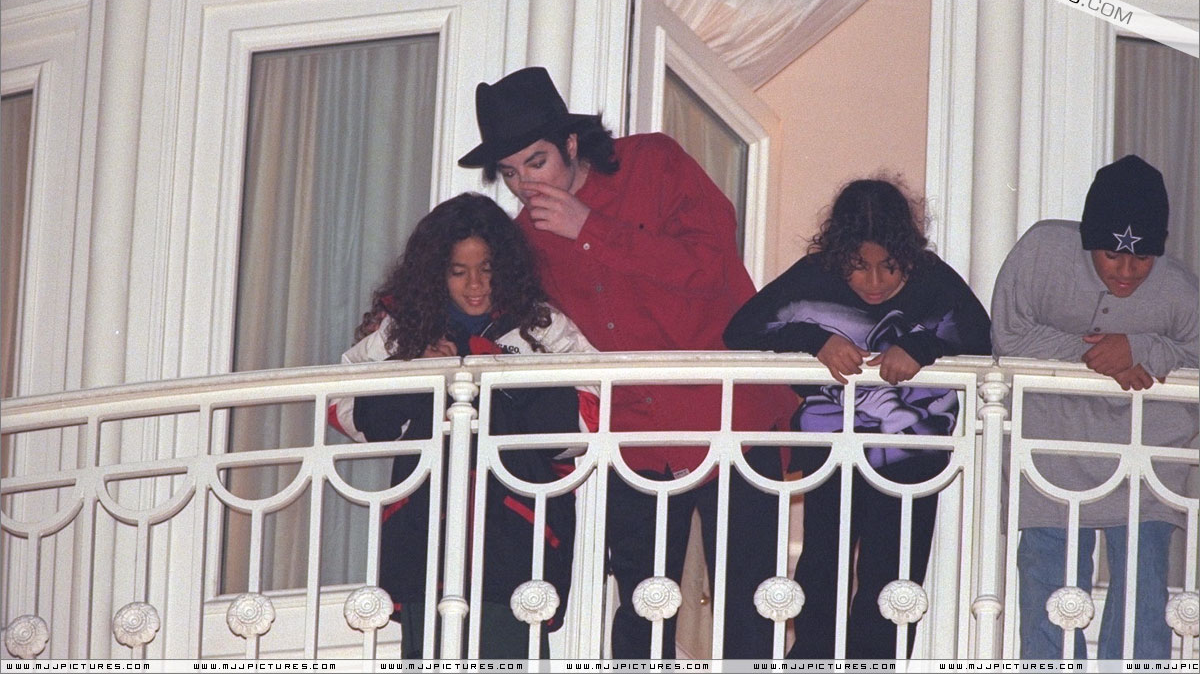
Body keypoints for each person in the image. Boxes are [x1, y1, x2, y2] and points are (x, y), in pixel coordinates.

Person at [458, 66, 794, 659]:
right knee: (642, 612)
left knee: (750, 607)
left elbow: (711, 264)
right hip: (634, 434)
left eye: (536, 162)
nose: (524, 184)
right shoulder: (522, 236)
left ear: (570, 143)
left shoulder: (654, 163)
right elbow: (501, 314)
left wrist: (589, 228)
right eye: (509, 173)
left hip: (731, 415)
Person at [723, 178, 992, 659]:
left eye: (889, 266)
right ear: (837, 256)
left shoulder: (934, 280)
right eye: (859, 267)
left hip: (913, 456)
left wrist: (923, 346)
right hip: (833, 454)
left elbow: (984, 341)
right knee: (821, 567)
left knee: (894, 581)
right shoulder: (813, 276)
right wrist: (812, 340)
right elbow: (740, 331)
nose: (875, 282)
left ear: (908, 255)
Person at [328, 192, 598, 659]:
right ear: (436, 273)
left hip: (518, 540)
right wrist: (416, 375)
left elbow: (590, 418)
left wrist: (498, 372)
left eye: (487, 269)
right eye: (458, 271)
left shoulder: (542, 325)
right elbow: (340, 402)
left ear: (505, 267)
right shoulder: (403, 327)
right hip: (424, 538)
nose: (475, 284)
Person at [991, 155, 1198, 660]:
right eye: (1112, 254)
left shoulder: (1179, 288)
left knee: (1142, 589)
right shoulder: (1041, 253)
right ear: (1089, 240)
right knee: (1049, 588)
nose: (1127, 271)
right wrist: (1098, 357)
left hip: (1147, 453)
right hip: (1051, 448)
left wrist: (1142, 348)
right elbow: (1008, 337)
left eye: (1142, 258)